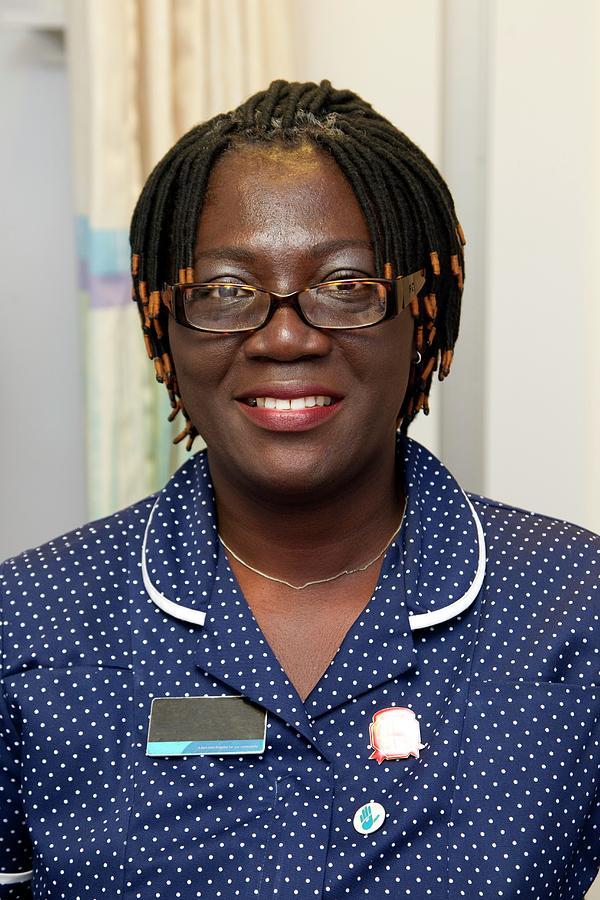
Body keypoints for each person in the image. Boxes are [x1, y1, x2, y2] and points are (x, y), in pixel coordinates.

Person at [0, 79, 598, 899]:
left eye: (347, 284)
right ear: (161, 324)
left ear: (425, 316)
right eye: (226, 289)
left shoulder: (575, 606)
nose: (286, 334)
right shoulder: (27, 620)